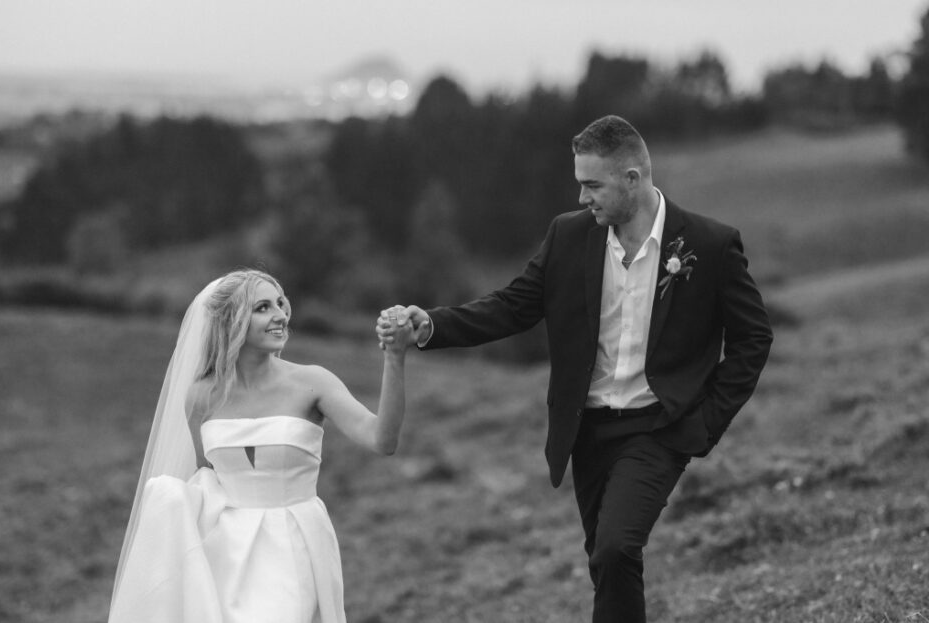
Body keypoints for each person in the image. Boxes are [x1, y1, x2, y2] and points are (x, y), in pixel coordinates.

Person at [377, 115, 773, 622]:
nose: (583, 197)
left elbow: (753, 337)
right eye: (580, 184)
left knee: (615, 549)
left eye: (592, 185)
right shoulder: (568, 236)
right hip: (586, 430)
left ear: (633, 179)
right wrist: (430, 325)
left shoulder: (709, 245)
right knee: (605, 561)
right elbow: (514, 305)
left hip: (659, 428)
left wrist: (707, 420)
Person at [109, 269, 415, 623]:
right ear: (231, 320)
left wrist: (395, 358)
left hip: (294, 542)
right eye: (263, 307)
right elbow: (205, 477)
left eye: (281, 304)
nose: (281, 316)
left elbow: (382, 440)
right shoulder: (201, 396)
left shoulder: (312, 382)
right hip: (226, 549)